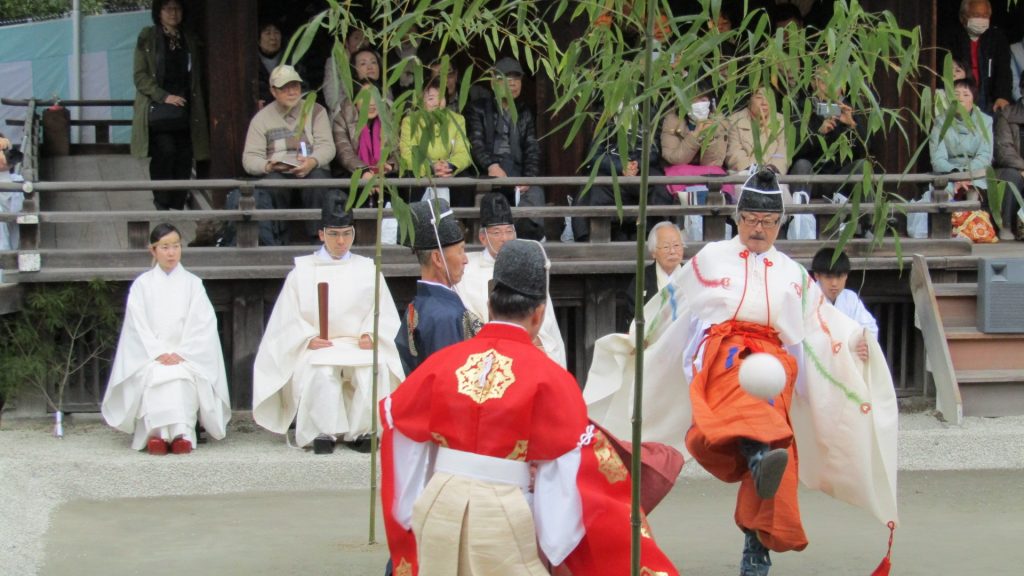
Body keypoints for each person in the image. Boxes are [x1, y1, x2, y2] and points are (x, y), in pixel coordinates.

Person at [380, 240, 679, 576]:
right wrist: (555, 542)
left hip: (439, 506)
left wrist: (412, 511)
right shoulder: (551, 379)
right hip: (505, 511)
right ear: (538, 314)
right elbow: (567, 480)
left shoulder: (440, 365)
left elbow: (400, 431)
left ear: (490, 306)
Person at [678, 170, 897, 575]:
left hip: (775, 362)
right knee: (752, 412)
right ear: (737, 216)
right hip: (724, 353)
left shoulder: (793, 274)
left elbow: (821, 323)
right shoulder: (709, 258)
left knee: (779, 447)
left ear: (781, 224)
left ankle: (756, 544)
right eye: (750, 219)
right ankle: (759, 454)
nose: (758, 229)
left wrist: (853, 343)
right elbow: (674, 309)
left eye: (768, 222)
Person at [252, 199, 404, 454]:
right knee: (322, 371)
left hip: (358, 344)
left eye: (347, 234)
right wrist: (306, 337)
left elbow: (384, 312)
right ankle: (324, 432)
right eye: (334, 234)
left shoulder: (368, 269)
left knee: (371, 369)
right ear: (322, 234)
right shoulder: (302, 271)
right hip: (321, 344)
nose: (341, 242)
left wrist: (371, 332)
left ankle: (364, 431)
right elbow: (286, 318)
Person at [102, 223, 230, 455]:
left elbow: (203, 326)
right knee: (157, 376)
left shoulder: (193, 284)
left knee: (180, 376)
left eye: (176, 246)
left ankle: (182, 434)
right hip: (152, 357)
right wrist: (158, 352)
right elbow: (136, 327)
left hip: (185, 356)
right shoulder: (142, 285)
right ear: (153, 250)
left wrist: (182, 352)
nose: (171, 253)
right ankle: (157, 435)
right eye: (165, 247)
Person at [455, 192, 566, 367]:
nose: (504, 239)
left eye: (509, 231)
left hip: (527, 347)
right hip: (483, 352)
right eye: (497, 233)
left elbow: (545, 319)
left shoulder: (529, 264)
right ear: (483, 238)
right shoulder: (467, 270)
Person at [242, 65, 338, 245]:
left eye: (295, 86)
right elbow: (249, 158)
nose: (292, 91)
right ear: (273, 91)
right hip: (278, 168)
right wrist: (268, 165)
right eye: (284, 88)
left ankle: (318, 238)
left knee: (319, 182)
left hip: (311, 165)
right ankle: (278, 238)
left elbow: (327, 147)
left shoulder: (316, 110)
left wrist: (312, 161)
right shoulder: (261, 118)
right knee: (273, 184)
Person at [130, 0, 210, 211]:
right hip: (158, 108)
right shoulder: (148, 36)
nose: (173, 13)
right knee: (165, 151)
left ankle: (177, 203)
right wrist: (163, 96)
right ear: (159, 12)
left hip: (186, 108)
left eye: (177, 8)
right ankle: (162, 201)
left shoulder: (189, 38)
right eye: (168, 8)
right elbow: (140, 76)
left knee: (185, 155)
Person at [395, 197, 481, 375]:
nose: (465, 260)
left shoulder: (422, 305)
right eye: (460, 250)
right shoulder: (444, 316)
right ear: (437, 259)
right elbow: (450, 379)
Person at [466, 57, 547, 239]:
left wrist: (529, 177)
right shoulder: (478, 109)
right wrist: (491, 165)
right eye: (506, 79)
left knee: (535, 191)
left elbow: (532, 147)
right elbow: (476, 143)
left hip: (516, 171)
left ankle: (529, 237)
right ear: (493, 82)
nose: (513, 84)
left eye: (516, 79)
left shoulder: (524, 112)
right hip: (489, 172)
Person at [789, 70, 868, 201]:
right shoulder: (801, 109)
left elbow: (864, 151)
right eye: (824, 82)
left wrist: (852, 126)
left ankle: (866, 220)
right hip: (810, 178)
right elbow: (793, 151)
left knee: (862, 166)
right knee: (801, 165)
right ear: (814, 84)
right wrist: (818, 133)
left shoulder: (849, 109)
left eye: (835, 82)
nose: (830, 87)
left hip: (839, 178)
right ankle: (798, 219)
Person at [929, 79, 996, 229]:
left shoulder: (985, 121)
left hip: (975, 173)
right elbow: (937, 158)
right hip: (948, 173)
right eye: (956, 94)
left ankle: (972, 228)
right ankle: (945, 229)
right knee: (944, 190)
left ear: (974, 98)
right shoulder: (940, 121)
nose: (960, 98)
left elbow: (985, 156)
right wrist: (956, 176)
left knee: (973, 188)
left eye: (966, 94)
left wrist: (966, 174)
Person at [398, 78, 473, 204]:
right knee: (412, 178)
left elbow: (464, 152)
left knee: (465, 180)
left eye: (441, 97)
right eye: (431, 98)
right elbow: (407, 154)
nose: (437, 103)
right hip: (422, 171)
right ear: (421, 102)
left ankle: (460, 221)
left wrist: (450, 166)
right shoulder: (410, 121)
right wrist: (431, 167)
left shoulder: (458, 119)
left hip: (448, 171)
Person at [660, 82, 729, 206]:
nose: (699, 104)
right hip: (680, 173)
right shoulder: (673, 120)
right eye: (693, 100)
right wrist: (696, 134)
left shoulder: (719, 121)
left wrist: (708, 135)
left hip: (708, 173)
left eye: (703, 100)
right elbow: (675, 158)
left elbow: (713, 163)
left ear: (710, 102)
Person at [809, 247, 878, 361]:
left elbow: (869, 327)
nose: (834, 283)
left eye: (839, 277)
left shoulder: (850, 299)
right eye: (828, 277)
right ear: (817, 276)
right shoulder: (808, 298)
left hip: (847, 358)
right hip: (817, 359)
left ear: (846, 276)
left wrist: (862, 344)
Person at [943, 0, 1012, 113]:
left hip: (988, 97)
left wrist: (1002, 96)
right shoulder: (951, 38)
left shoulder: (996, 38)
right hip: (961, 94)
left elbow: (1003, 71)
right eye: (976, 15)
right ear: (962, 18)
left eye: (985, 15)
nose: (981, 19)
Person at [332, 81, 397, 181]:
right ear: (355, 100)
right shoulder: (342, 118)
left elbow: (399, 150)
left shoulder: (390, 118)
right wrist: (364, 171)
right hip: (353, 176)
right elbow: (345, 153)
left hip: (385, 177)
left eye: (375, 97)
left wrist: (390, 165)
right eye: (365, 97)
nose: (371, 103)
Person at [623, 221, 685, 321]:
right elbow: (633, 318)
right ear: (653, 253)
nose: (672, 251)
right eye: (666, 247)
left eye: (677, 245)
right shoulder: (642, 279)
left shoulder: (691, 274)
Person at [725, 87, 789, 178]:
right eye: (759, 98)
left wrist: (771, 168)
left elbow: (783, 152)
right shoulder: (734, 120)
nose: (764, 103)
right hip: (743, 174)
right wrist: (754, 169)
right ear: (749, 100)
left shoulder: (781, 121)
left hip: (774, 174)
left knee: (781, 190)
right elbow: (734, 153)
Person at [991, 75, 1024, 240]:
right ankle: (1006, 225)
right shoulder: (1007, 114)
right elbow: (1003, 151)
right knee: (1012, 176)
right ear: (1022, 90)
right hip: (1012, 168)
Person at [256, 21, 284, 110]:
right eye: (267, 33)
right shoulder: (251, 61)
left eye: (276, 33)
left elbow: (303, 87)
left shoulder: (291, 59)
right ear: (258, 40)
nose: (273, 38)